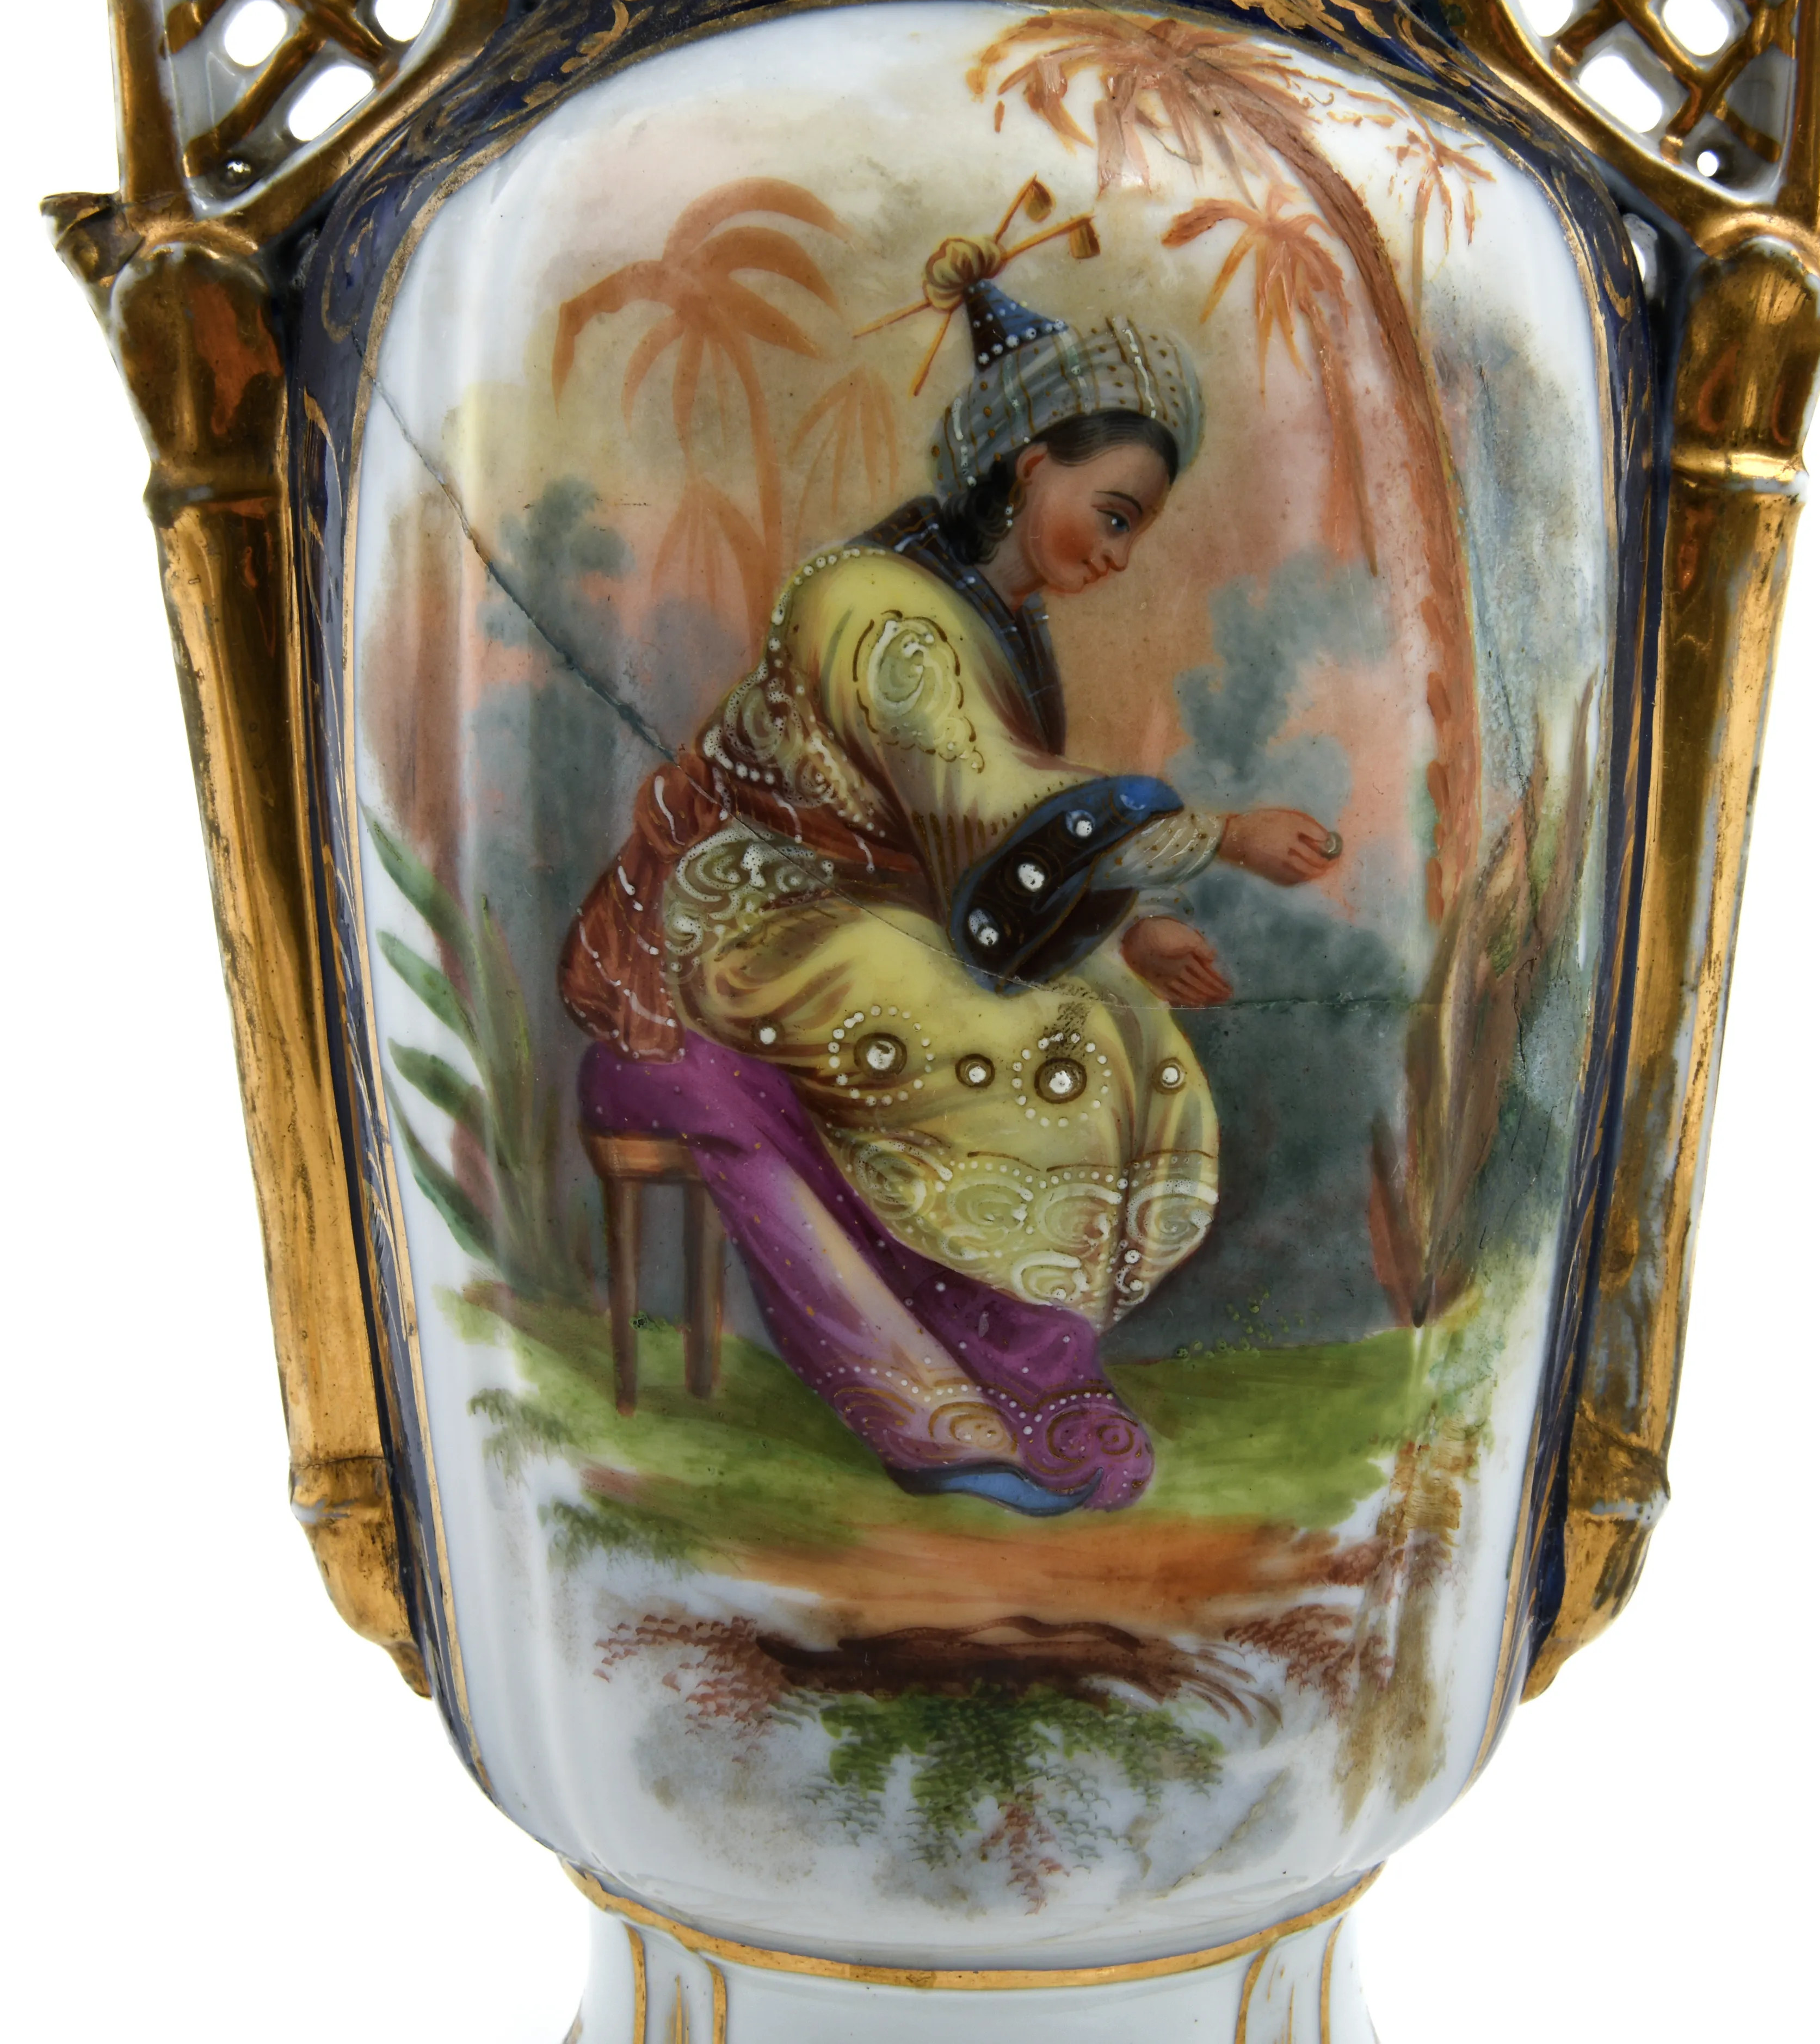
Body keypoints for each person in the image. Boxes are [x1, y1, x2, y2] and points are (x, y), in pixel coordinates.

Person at [560, 243, 1339, 1515]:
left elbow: (983, 853)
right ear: (1030, 468)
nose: (1119, 553)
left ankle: (1030, 1371)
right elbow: (994, 811)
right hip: (755, 915)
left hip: (874, 911)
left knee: (1124, 1028)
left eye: (1137, 528)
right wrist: (1221, 834)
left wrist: (1128, 935)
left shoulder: (988, 615)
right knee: (1034, 1047)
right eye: (1114, 512)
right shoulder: (881, 606)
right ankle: (993, 1387)